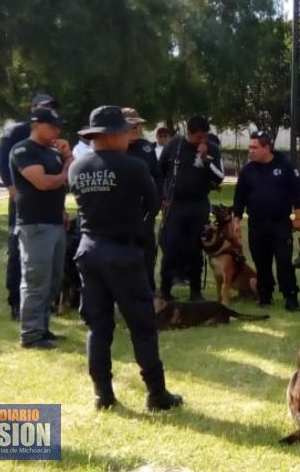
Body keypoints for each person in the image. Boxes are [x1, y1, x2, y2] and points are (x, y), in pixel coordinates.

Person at [69, 105, 182, 412]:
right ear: (113, 135)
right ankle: (156, 393)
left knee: (98, 327)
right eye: (125, 131)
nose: (130, 136)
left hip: (89, 250)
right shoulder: (132, 167)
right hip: (123, 252)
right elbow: (154, 201)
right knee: (142, 326)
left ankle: (102, 394)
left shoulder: (77, 167)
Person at [9, 108, 71, 349]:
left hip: (54, 221)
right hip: (35, 224)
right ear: (37, 125)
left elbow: (65, 179)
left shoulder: (52, 152)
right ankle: (31, 334)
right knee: (36, 279)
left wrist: (66, 156)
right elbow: (44, 182)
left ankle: (43, 327)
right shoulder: (24, 150)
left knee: (53, 279)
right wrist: (65, 172)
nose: (57, 131)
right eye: (53, 126)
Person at [0, 93, 58, 320]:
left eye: (52, 107)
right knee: (17, 249)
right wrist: (12, 189)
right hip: (23, 200)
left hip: (47, 202)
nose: (49, 111)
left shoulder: (52, 134)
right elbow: (2, 161)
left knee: (45, 253)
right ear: (32, 109)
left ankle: (43, 302)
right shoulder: (17, 131)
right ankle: (16, 301)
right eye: (43, 107)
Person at [231, 131, 300, 311]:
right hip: (257, 223)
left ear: (266, 148)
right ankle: (265, 294)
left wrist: (298, 217)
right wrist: (236, 220)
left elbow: (297, 192)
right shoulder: (248, 170)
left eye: (254, 147)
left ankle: (290, 296)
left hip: (280, 223)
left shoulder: (284, 165)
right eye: (249, 147)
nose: (250, 151)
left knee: (284, 261)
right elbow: (239, 197)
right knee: (261, 262)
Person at [157, 115, 224, 301]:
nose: (202, 141)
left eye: (205, 136)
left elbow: (219, 178)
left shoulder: (212, 149)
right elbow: (159, 172)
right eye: (199, 137)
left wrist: (205, 159)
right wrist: (162, 197)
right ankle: (165, 290)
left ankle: (195, 291)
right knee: (171, 247)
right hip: (175, 205)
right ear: (189, 133)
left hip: (198, 205)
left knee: (196, 248)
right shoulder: (174, 146)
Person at [123, 108, 162, 293]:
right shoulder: (116, 148)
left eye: (137, 125)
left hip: (145, 210)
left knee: (147, 250)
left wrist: (157, 202)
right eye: (131, 125)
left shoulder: (146, 148)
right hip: (122, 211)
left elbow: (157, 176)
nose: (136, 128)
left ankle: (148, 288)